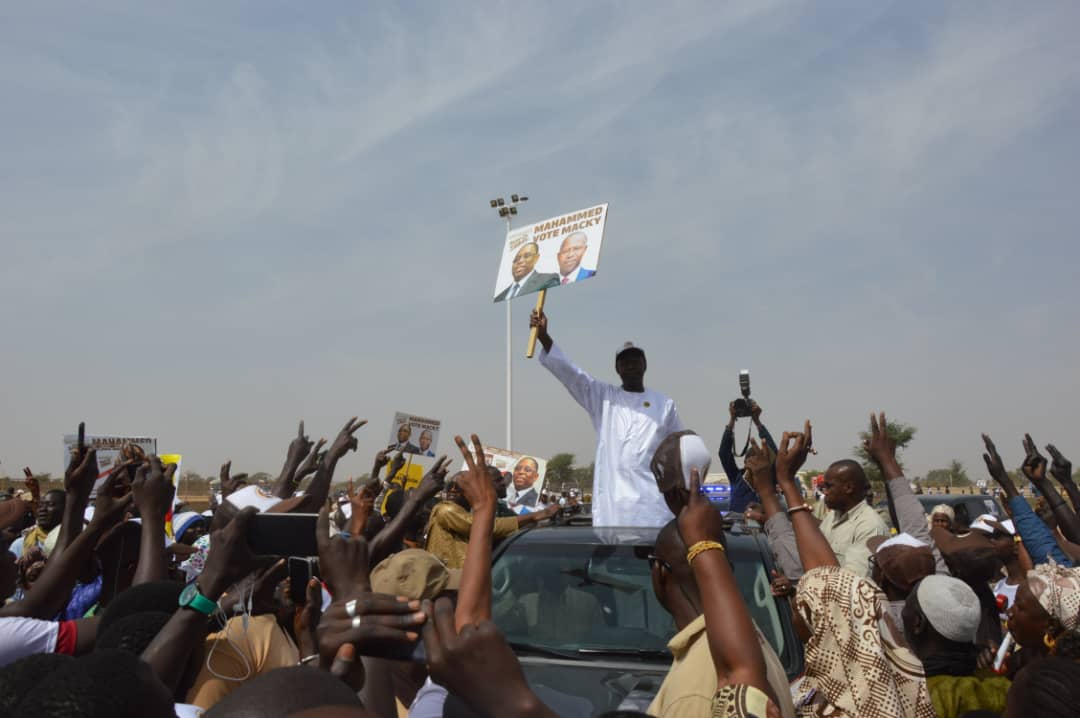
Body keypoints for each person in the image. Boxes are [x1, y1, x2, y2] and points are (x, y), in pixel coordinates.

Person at [530, 308, 684, 527]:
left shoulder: (664, 404)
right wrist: (544, 337)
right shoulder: (603, 398)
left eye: (635, 360)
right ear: (617, 369)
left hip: (656, 508)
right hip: (616, 508)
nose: (630, 365)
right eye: (625, 362)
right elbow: (572, 375)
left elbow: (680, 449)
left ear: (645, 365)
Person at [902, 575, 1011, 718]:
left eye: (907, 605)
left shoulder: (914, 698)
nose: (903, 612)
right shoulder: (1004, 688)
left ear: (918, 623)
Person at [424, 472, 558, 568]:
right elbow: (487, 528)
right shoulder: (446, 510)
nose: (453, 490)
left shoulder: (475, 511)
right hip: (450, 581)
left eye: (459, 487)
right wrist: (534, 516)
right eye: (450, 486)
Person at [817, 460, 890, 577]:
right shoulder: (833, 516)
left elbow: (853, 583)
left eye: (829, 486)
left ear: (848, 488)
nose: (824, 492)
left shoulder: (870, 526)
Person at [719, 400, 778, 514]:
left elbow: (774, 454)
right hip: (738, 527)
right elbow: (724, 453)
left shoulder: (769, 479)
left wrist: (757, 421)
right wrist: (732, 420)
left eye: (758, 458)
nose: (754, 462)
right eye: (750, 459)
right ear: (745, 462)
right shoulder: (736, 477)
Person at [494, 242, 559, 301]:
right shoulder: (500, 297)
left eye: (527, 256)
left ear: (536, 258)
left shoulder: (548, 280)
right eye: (516, 259)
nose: (520, 261)